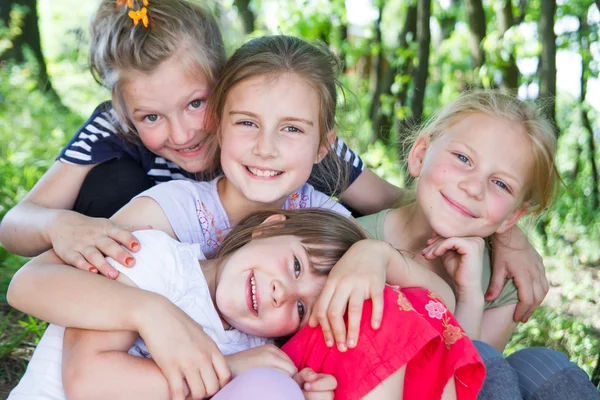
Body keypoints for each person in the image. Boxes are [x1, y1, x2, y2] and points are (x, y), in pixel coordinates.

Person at [0, 0, 549, 325]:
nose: (184, 131)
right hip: (137, 266)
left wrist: (504, 234)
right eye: (151, 117)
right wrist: (64, 226)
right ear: (124, 111)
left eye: (197, 104)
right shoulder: (117, 133)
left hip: (257, 292)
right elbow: (17, 225)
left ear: (223, 84)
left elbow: (418, 199)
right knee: (110, 183)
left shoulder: (302, 157)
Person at [299, 90, 599, 399]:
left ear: (513, 217)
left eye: (500, 184)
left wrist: (470, 298)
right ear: (419, 155)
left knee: (542, 367)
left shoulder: (502, 283)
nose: (473, 187)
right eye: (463, 158)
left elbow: (473, 384)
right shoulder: (343, 240)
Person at [7, 209, 484, 400]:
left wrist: (378, 255)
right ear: (268, 226)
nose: (283, 293)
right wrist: (155, 314)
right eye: (295, 266)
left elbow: (429, 302)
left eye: (300, 310)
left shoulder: (257, 344)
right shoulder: (155, 258)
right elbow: (89, 381)